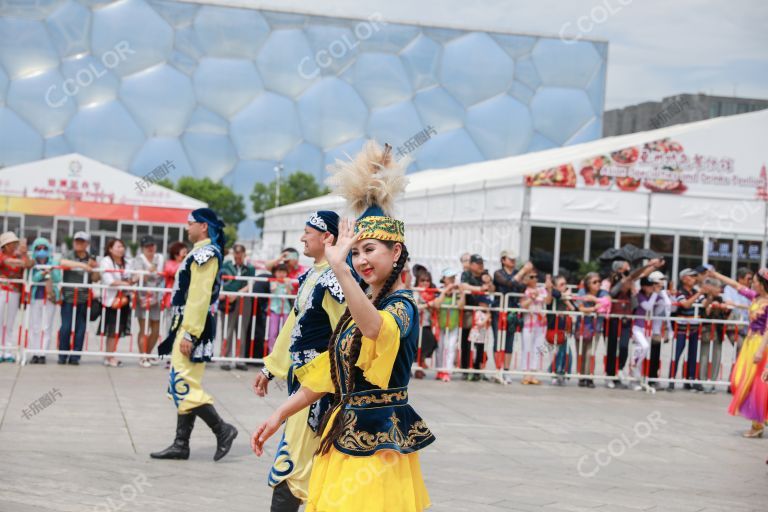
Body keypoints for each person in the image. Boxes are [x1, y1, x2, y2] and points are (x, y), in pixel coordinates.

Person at [252, 141, 434, 512]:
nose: (361, 260)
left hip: (378, 443)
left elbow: (375, 331)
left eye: (370, 250)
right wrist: (279, 414)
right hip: (341, 438)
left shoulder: (402, 307)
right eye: (356, 252)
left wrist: (339, 267)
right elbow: (327, 374)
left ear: (396, 252)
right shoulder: (362, 305)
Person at [252, 210, 346, 512]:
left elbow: (346, 338)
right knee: (300, 463)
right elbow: (294, 326)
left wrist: (336, 388)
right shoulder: (313, 276)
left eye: (308, 231)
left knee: (292, 464)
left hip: (318, 388)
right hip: (302, 383)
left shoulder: (334, 280)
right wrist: (271, 367)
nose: (302, 237)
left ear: (327, 237)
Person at [151, 208, 238, 462]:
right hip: (188, 323)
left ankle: (222, 429)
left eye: (190, 223)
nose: (186, 228)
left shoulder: (205, 254)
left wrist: (190, 333)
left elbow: (199, 297)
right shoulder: (201, 252)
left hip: (193, 326)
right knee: (183, 381)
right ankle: (181, 444)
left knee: (183, 382)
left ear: (202, 226)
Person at [708, 268, 768, 438]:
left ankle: (757, 425)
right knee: (738, 380)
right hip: (750, 344)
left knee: (756, 384)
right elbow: (735, 285)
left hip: (760, 345)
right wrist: (716, 275)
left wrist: (760, 351)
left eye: (755, 281)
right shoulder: (755, 296)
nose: (752, 283)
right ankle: (762, 416)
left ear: (763, 284)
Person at [606, 258, 663, 388]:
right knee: (612, 347)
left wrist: (653, 267)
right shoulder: (617, 287)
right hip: (615, 319)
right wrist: (648, 265)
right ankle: (609, 375)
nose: (631, 283)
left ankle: (620, 369)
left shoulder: (632, 292)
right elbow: (634, 276)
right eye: (629, 282)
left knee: (624, 346)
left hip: (627, 320)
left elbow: (639, 278)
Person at [57, 231, 99, 365]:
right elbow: (62, 262)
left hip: (84, 298)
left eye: (81, 241)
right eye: (77, 241)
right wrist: (83, 266)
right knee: (66, 327)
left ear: (87, 244)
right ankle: (62, 355)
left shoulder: (91, 258)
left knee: (80, 329)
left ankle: (75, 356)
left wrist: (94, 268)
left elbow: (95, 279)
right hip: (68, 297)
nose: (78, 244)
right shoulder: (69, 254)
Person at [28, 238, 66, 364]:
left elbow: (57, 278)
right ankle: (35, 352)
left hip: (50, 297)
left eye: (44, 248)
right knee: (35, 326)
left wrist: (50, 270)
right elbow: (33, 278)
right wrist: (43, 273)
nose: (42, 251)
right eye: (39, 249)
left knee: (47, 326)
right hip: (36, 297)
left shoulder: (53, 262)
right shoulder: (32, 263)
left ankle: (43, 353)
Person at [493, 253, 530, 383]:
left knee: (509, 341)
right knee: (498, 340)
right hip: (499, 309)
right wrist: (522, 272)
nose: (513, 261)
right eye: (510, 258)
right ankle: (498, 370)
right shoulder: (498, 273)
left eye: (514, 259)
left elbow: (522, 287)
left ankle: (506, 371)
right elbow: (507, 283)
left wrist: (523, 276)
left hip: (512, 310)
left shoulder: (517, 273)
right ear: (503, 260)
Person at [219, 243, 256, 371]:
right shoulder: (226, 266)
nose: (238, 256)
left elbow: (250, 283)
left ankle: (240, 359)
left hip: (244, 300)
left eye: (240, 253)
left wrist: (238, 293)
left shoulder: (249, 268)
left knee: (241, 330)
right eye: (236, 253)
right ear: (233, 254)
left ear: (244, 254)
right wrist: (223, 293)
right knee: (227, 330)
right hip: (228, 299)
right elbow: (219, 281)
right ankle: (224, 358)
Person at [669, 268, 705, 392]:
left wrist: (710, 296)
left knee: (693, 355)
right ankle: (671, 379)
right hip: (681, 329)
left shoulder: (695, 291)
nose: (694, 279)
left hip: (695, 329)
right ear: (684, 278)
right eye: (692, 276)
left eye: (695, 276)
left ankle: (690, 380)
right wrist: (699, 294)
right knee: (677, 354)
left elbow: (705, 304)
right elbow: (685, 304)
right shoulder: (679, 292)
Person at [131, 236, 164, 368]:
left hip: (157, 297)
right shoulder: (139, 259)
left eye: (152, 245)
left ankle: (148, 354)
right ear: (143, 248)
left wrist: (150, 273)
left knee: (155, 330)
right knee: (144, 328)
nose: (150, 248)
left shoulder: (160, 258)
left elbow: (161, 274)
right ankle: (143, 356)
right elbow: (138, 276)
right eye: (147, 246)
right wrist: (148, 271)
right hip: (143, 297)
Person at [460, 254, 494, 379]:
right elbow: (463, 286)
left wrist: (488, 282)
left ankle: (477, 369)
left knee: (481, 342)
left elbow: (492, 289)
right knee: (466, 341)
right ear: (471, 264)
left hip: (482, 313)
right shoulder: (466, 274)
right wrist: (479, 288)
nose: (481, 266)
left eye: (482, 263)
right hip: (469, 312)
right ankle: (465, 369)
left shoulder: (485, 274)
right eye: (478, 263)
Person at [99, 238, 132, 368]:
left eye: (122, 246)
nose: (121, 249)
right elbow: (109, 281)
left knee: (118, 331)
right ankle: (109, 356)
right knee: (112, 331)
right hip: (111, 301)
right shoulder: (106, 261)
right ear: (110, 249)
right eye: (118, 247)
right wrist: (125, 283)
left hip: (124, 300)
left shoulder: (127, 263)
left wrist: (129, 282)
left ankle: (110, 355)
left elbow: (130, 278)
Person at [575, 272, 610, 388]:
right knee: (581, 352)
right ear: (588, 284)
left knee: (591, 353)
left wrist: (594, 299)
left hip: (596, 327)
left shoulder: (603, 292)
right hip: (583, 326)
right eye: (594, 282)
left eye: (599, 281)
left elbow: (607, 301)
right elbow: (580, 308)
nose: (598, 284)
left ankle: (589, 377)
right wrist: (594, 307)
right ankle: (581, 377)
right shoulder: (582, 292)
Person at [0, 232, 31, 362]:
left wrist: (24, 253)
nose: (14, 245)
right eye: (11, 243)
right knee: (0, 321)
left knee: (10, 322)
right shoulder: (2, 255)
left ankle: (7, 351)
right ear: (5, 245)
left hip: (14, 292)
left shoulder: (19, 255)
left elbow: (28, 264)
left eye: (15, 243)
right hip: (2, 291)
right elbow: (9, 261)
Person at [698, 277, 730, 393]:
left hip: (718, 330)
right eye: (717, 287)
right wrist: (711, 301)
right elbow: (705, 308)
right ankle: (702, 381)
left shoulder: (721, 298)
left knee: (717, 355)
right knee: (704, 355)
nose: (719, 289)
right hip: (707, 330)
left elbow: (727, 309)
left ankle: (712, 382)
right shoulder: (703, 296)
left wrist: (723, 306)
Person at [434, 268, 465, 382]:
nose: (452, 280)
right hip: (441, 324)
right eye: (449, 278)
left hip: (453, 324)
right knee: (441, 347)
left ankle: (447, 371)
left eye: (453, 278)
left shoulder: (457, 292)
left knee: (451, 347)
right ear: (444, 279)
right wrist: (445, 291)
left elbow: (461, 306)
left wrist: (461, 293)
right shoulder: (439, 290)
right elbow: (437, 304)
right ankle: (439, 370)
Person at [545, 274, 575, 386]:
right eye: (561, 284)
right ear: (555, 286)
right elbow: (554, 293)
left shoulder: (565, 297)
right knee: (561, 352)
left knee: (567, 353)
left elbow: (574, 308)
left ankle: (560, 372)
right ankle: (555, 372)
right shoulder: (553, 294)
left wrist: (567, 299)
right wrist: (564, 295)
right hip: (554, 329)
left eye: (565, 284)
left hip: (564, 330)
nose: (565, 286)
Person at [646, 271, 673, 390]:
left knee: (655, 356)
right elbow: (649, 308)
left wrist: (668, 329)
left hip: (658, 329)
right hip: (647, 329)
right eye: (660, 280)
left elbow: (668, 309)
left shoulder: (663, 293)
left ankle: (653, 379)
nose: (663, 282)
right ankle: (644, 379)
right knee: (645, 355)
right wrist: (655, 293)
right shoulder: (649, 293)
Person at [519, 269, 547, 385]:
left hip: (541, 322)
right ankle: (525, 374)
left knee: (538, 348)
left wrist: (549, 288)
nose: (534, 279)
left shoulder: (541, 289)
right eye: (531, 277)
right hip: (528, 322)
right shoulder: (523, 290)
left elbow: (548, 300)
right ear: (526, 278)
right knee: (527, 348)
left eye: (536, 276)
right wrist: (532, 298)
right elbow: (522, 305)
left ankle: (533, 374)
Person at [723, 267, 753, 353]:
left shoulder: (751, 291)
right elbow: (728, 302)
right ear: (740, 278)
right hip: (734, 326)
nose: (750, 281)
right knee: (742, 349)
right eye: (748, 279)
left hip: (748, 327)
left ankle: (738, 367)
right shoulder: (729, 288)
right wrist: (746, 307)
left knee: (747, 352)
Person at [414, 271, 438, 379]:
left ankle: (420, 364)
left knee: (429, 343)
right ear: (418, 281)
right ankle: (418, 367)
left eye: (428, 280)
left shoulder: (431, 292)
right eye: (422, 280)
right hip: (417, 323)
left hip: (427, 322)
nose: (425, 283)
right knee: (420, 346)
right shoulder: (415, 292)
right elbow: (415, 306)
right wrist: (428, 305)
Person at [266, 263, 292, 354]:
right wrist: (277, 282)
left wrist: (288, 284)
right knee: (273, 333)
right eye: (279, 272)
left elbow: (289, 295)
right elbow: (272, 289)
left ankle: (282, 355)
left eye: (284, 272)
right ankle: (271, 353)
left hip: (285, 310)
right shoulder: (273, 281)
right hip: (274, 309)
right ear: (275, 273)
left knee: (284, 334)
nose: (281, 274)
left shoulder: (288, 282)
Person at [468, 296, 494, 379]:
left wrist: (488, 318)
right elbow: (480, 324)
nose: (487, 306)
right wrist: (487, 317)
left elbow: (488, 325)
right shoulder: (478, 312)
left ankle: (479, 372)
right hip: (476, 337)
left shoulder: (486, 314)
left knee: (482, 355)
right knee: (476, 355)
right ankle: (475, 372)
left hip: (483, 337)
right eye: (486, 304)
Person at [162, 241, 188, 310]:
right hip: (171, 298)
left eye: (187, 253)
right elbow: (172, 271)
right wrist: (184, 263)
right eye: (184, 253)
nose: (186, 255)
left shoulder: (187, 264)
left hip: (185, 298)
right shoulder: (169, 263)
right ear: (175, 254)